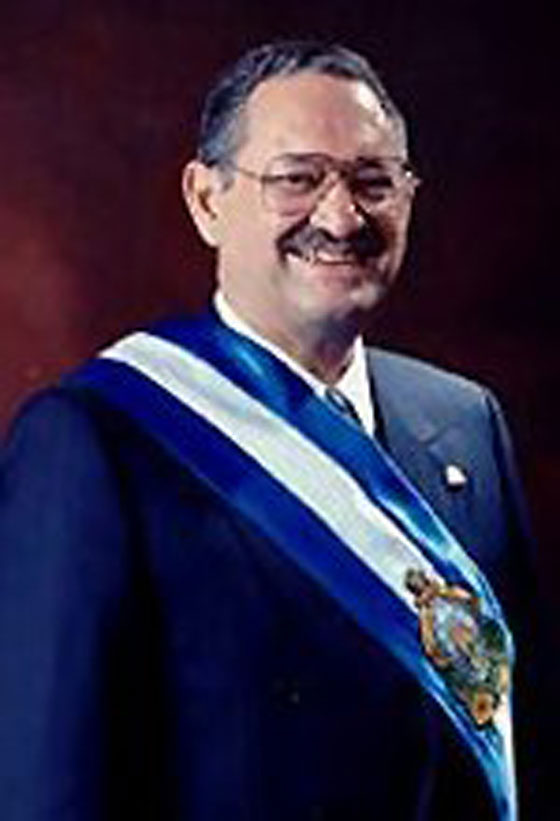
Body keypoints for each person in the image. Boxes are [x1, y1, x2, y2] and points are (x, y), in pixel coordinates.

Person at [0, 40, 544, 820]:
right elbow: (43, 789)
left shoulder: (465, 424)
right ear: (207, 200)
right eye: (297, 178)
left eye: (373, 180)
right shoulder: (94, 440)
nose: (341, 216)